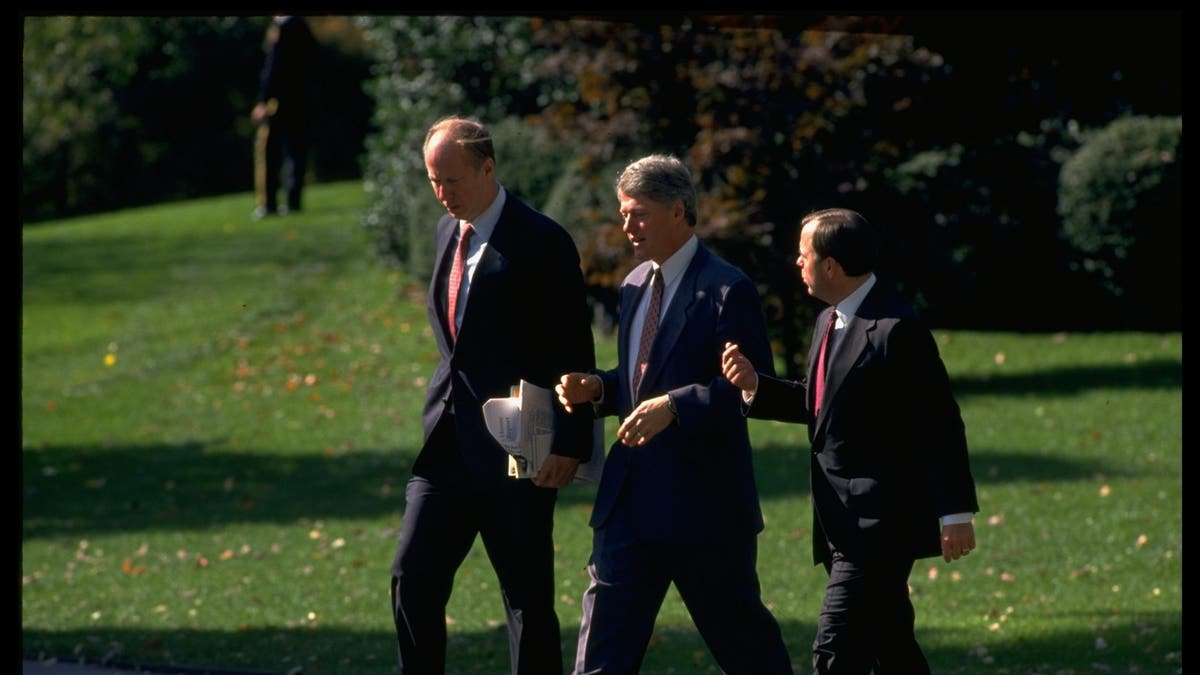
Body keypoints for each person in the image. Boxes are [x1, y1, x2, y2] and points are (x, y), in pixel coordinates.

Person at [555, 154, 793, 675]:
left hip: (704, 509)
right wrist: (599, 388)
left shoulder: (728, 290)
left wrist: (676, 407)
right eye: (623, 213)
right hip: (630, 503)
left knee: (747, 649)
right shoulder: (635, 284)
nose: (627, 226)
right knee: (600, 656)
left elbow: (751, 393)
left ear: (680, 211)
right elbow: (642, 382)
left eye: (639, 213)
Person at [721, 207, 980, 674]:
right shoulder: (829, 320)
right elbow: (822, 405)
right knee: (891, 645)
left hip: (880, 525)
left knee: (835, 649)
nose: (796, 263)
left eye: (803, 255)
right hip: (839, 521)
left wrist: (955, 512)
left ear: (831, 266)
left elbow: (938, 424)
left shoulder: (896, 330)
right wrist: (755, 387)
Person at [389, 116, 596, 675]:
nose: (442, 193)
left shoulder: (541, 241)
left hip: (518, 448)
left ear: (488, 168)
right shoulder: (443, 232)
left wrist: (571, 444)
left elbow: (573, 349)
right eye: (433, 180)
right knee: (412, 577)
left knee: (526, 600)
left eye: (452, 180)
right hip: (446, 445)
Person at [251, 15, 316, 220]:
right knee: (296, 153)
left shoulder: (283, 27)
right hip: (301, 101)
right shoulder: (303, 27)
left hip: (279, 102)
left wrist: (263, 100)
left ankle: (268, 204)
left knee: (269, 152)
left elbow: (273, 68)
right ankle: (293, 202)